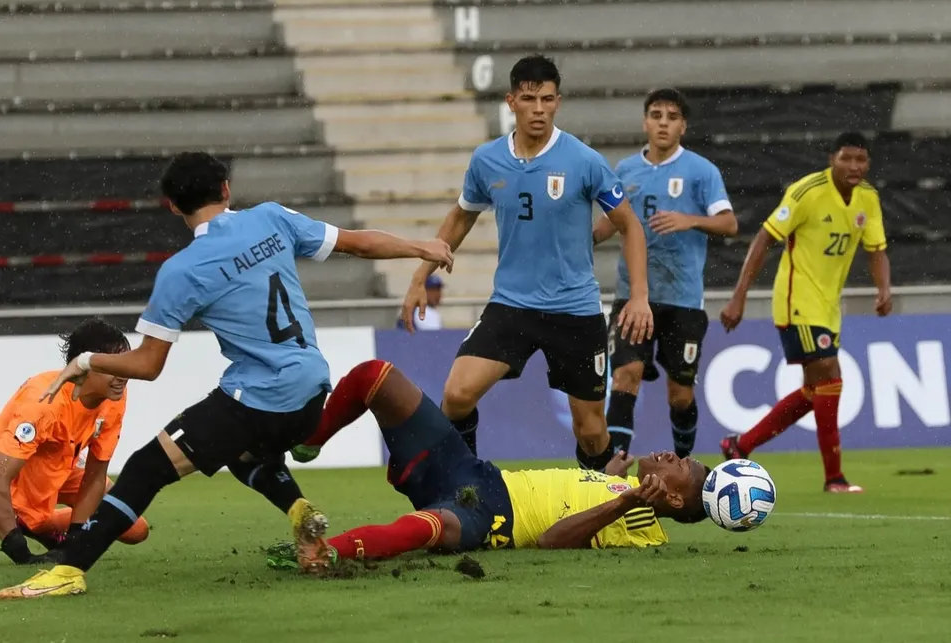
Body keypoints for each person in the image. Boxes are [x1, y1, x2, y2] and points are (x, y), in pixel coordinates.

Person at [0, 152, 454, 599]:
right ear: (227, 190)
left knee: (145, 468)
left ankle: (66, 572)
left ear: (173, 206)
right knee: (242, 453)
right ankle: (298, 510)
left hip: (260, 394)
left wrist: (87, 361)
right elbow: (358, 242)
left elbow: (147, 366)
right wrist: (422, 247)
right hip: (313, 386)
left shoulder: (181, 271)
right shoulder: (272, 218)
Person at [400, 54, 653, 473]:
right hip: (512, 306)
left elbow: (630, 225)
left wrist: (639, 298)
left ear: (558, 102)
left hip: (575, 310)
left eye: (548, 100)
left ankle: (605, 501)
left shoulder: (584, 160)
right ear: (511, 101)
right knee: (457, 395)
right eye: (530, 99)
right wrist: (419, 276)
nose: (539, 109)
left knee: (590, 431)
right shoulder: (487, 161)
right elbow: (461, 215)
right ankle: (467, 484)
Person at [273, 360, 708, 569]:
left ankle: (325, 554)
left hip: (494, 517)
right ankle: (309, 441)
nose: (674, 455)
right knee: (376, 377)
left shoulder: (643, 530)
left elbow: (553, 541)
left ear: (671, 496)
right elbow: (589, 500)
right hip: (474, 474)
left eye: (682, 466)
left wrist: (625, 498)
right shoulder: (621, 490)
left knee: (427, 530)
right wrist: (609, 480)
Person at [719, 132, 891, 493]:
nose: (854, 166)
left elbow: (876, 250)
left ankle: (741, 445)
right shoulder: (806, 191)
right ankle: (834, 478)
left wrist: (884, 289)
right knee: (830, 377)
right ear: (832, 159)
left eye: (861, 160)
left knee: (817, 389)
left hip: (828, 307)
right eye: (847, 158)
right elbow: (765, 237)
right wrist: (739, 296)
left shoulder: (868, 199)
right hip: (797, 300)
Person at [593, 89, 736, 458]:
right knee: (626, 376)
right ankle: (615, 472)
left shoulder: (702, 171)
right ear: (645, 122)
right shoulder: (625, 170)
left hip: (682, 299)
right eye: (656, 115)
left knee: (680, 394)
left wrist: (690, 219)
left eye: (671, 117)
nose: (663, 122)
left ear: (682, 126)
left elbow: (730, 223)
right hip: (633, 295)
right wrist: (586, 240)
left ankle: (684, 464)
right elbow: (614, 222)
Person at [0, 318, 148, 569]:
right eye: (113, 366)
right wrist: (21, 553)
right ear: (84, 366)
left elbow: (95, 476)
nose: (125, 374)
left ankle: (34, 523)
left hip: (58, 466)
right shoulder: (44, 403)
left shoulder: (114, 396)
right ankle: (26, 520)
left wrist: (78, 538)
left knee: (135, 529)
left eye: (125, 364)